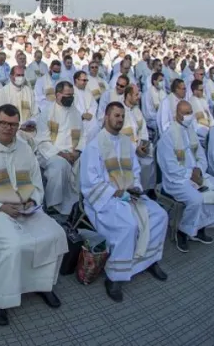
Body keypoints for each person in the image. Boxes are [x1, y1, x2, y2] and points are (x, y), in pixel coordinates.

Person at [0, 104, 67, 326]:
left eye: (13, 124)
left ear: (18, 126)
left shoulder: (24, 149)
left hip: (24, 209)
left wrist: (32, 200)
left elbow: (36, 181)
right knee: (14, 244)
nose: (8, 128)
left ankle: (42, 284)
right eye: (4, 123)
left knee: (56, 234)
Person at [80, 102, 169, 303]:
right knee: (128, 226)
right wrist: (115, 192)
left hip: (130, 195)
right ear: (106, 117)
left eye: (122, 116)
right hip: (105, 200)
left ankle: (150, 260)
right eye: (116, 116)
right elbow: (89, 182)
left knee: (160, 215)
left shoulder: (127, 143)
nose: (119, 120)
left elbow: (135, 171)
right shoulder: (94, 146)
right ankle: (115, 277)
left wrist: (135, 187)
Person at [157, 101, 214, 252]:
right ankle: (182, 231)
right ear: (176, 115)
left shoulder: (190, 131)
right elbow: (169, 167)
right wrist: (189, 175)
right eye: (184, 113)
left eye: (190, 112)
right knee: (196, 199)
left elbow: (200, 155)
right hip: (176, 180)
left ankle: (199, 226)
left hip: (196, 175)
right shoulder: (168, 136)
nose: (188, 116)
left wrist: (200, 171)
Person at [34, 81, 84, 215]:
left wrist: (78, 151)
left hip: (73, 153)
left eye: (72, 95)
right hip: (51, 153)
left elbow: (83, 136)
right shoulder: (47, 112)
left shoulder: (75, 112)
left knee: (86, 163)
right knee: (59, 166)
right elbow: (42, 140)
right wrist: (62, 154)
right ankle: (54, 207)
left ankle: (77, 206)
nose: (71, 98)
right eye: (67, 95)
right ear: (57, 95)